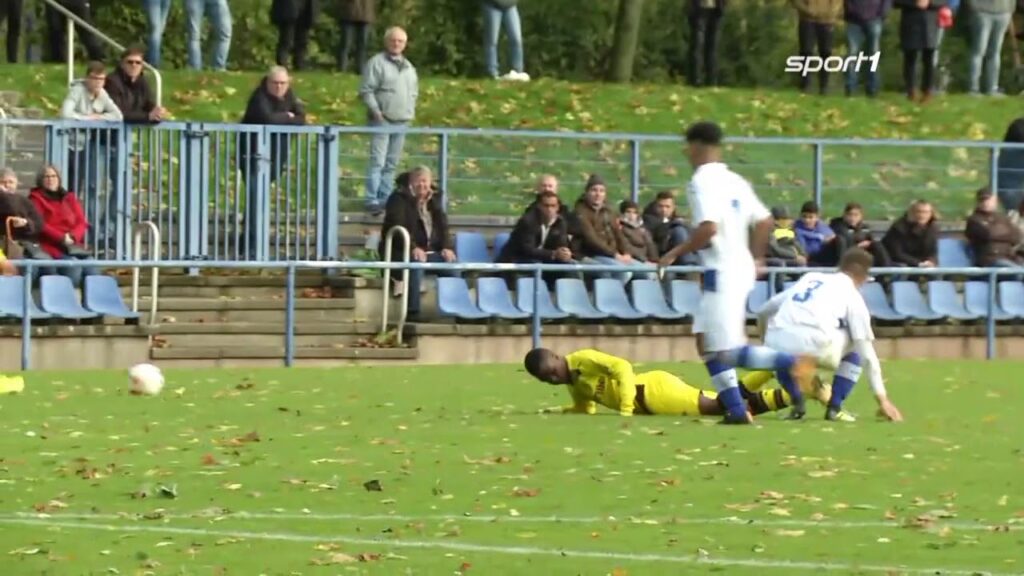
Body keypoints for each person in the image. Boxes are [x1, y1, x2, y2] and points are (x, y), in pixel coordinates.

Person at [658, 121, 814, 424]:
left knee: (726, 350)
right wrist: (754, 258)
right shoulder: (735, 180)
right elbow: (766, 221)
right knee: (705, 341)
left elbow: (709, 228)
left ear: (696, 146)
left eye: (688, 146)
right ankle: (737, 410)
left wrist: (674, 252)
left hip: (723, 271)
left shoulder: (701, 181)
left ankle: (789, 362)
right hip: (737, 268)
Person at [753, 248, 904, 422]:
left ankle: (798, 403)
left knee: (782, 351)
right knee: (857, 344)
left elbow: (765, 310)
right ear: (863, 276)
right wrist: (882, 400)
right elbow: (868, 356)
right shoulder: (852, 295)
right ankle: (835, 407)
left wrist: (766, 341)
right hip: (818, 346)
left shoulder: (810, 278)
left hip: (777, 343)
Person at [523, 347, 795, 418]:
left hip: (652, 393)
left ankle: (796, 392)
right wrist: (555, 411)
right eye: (546, 379)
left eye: (552, 371)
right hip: (650, 397)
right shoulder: (575, 382)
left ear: (557, 357)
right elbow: (585, 409)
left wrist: (627, 408)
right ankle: (773, 368)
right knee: (730, 400)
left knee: (722, 408)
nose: (553, 379)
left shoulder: (583, 360)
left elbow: (622, 367)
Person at [360, 26, 418, 214]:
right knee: (378, 161)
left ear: (405, 44)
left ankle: (385, 198)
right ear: (386, 42)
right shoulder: (376, 63)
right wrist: (376, 112)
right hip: (382, 121)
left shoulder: (409, 67)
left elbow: (413, 93)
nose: (396, 44)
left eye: (400, 41)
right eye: (393, 40)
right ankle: (372, 199)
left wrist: (410, 112)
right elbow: (366, 90)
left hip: (402, 121)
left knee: (391, 163)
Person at [28, 164, 99, 286]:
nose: (50, 179)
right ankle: (65, 299)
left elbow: (82, 222)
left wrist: (72, 236)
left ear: (59, 178)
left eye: (54, 176)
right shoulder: (35, 198)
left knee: (92, 266)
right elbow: (40, 224)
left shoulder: (69, 198)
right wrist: (61, 237)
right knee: (73, 266)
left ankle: (91, 303)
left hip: (72, 245)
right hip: (51, 246)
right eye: (47, 177)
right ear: (41, 180)